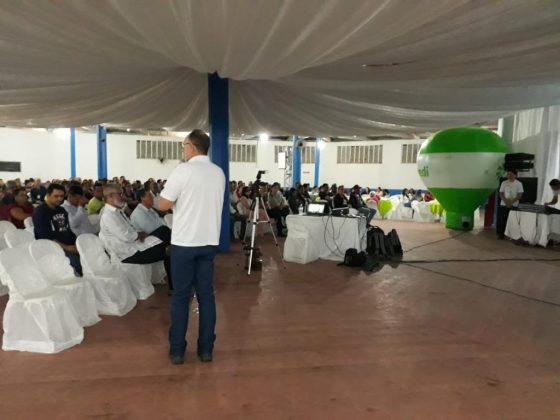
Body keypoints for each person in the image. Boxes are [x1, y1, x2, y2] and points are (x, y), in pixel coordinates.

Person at [158, 129, 225, 366]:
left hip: (184, 243)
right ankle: (206, 349)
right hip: (208, 242)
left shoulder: (183, 170)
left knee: (181, 297)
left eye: (184, 146)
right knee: (206, 296)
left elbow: (163, 204)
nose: (183, 150)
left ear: (192, 147)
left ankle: (177, 350)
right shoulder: (218, 172)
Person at [99, 184, 172, 288]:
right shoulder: (108, 216)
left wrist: (138, 234)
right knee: (169, 251)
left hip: (135, 246)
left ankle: (175, 282)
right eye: (119, 194)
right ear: (110, 196)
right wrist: (138, 234)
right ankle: (174, 286)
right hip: (127, 254)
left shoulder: (117, 212)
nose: (122, 196)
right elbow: (126, 236)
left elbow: (131, 228)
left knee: (164, 230)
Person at [33, 183, 82, 275]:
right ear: (48, 195)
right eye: (56, 196)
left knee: (90, 255)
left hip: (68, 244)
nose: (59, 199)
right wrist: (68, 248)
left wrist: (77, 243)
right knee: (79, 263)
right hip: (53, 248)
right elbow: (46, 238)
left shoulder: (61, 210)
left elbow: (67, 229)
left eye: (62, 196)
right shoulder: (41, 212)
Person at [497, 170, 524, 239]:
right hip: (504, 204)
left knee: (512, 221)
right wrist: (506, 202)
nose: (509, 176)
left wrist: (511, 202)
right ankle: (501, 234)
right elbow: (501, 193)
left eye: (511, 174)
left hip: (514, 205)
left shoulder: (519, 183)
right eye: (508, 174)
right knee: (502, 220)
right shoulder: (504, 183)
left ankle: (512, 235)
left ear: (515, 175)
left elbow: (519, 195)